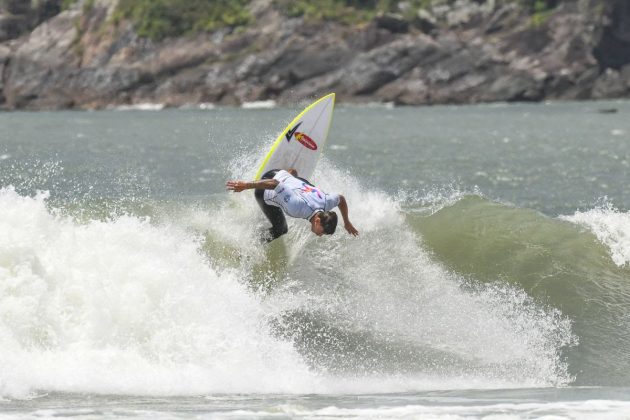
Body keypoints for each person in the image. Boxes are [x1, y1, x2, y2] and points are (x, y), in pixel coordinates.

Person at [226, 168, 359, 242]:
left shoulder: (326, 202)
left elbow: (340, 199)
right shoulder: (296, 207)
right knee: (281, 229)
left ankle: (292, 172)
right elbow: (274, 184)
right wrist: (245, 185)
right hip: (265, 189)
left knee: (308, 187)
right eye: (322, 232)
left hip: (281, 173)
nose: (320, 235)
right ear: (317, 221)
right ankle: (252, 243)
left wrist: (347, 222)